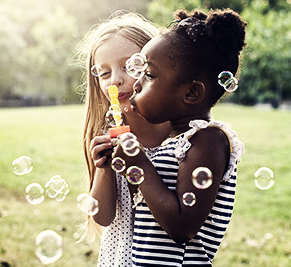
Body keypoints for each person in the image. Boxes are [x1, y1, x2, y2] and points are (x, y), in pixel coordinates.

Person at [111, 8, 246, 266]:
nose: (136, 84)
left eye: (149, 75)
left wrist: (139, 165)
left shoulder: (208, 140)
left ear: (192, 93)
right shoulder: (174, 142)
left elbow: (182, 226)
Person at [77, 11, 170, 266]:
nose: (116, 80)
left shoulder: (179, 137)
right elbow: (103, 217)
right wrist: (104, 168)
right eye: (104, 73)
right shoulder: (109, 137)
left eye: (129, 65)